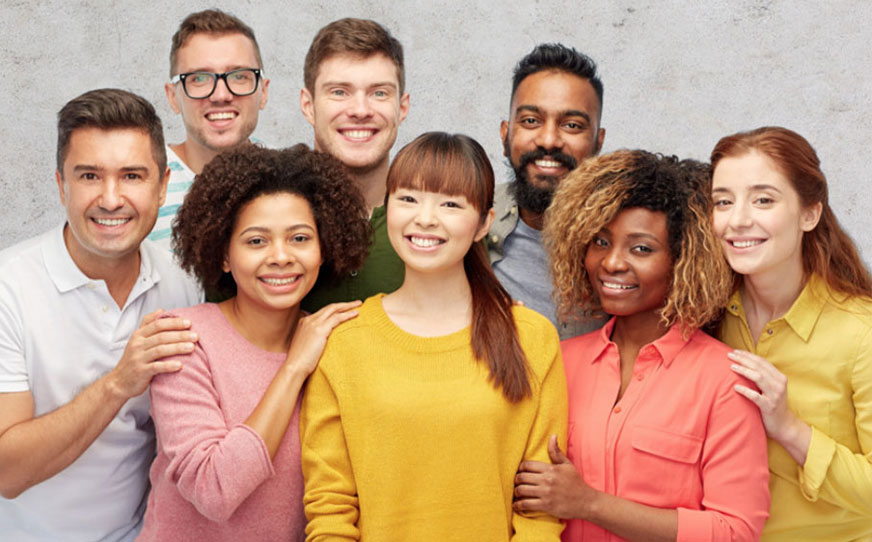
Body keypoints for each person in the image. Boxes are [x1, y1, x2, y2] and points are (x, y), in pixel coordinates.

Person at [301, 132, 568, 541]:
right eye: (408, 198)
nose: (425, 218)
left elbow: (540, 513)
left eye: (450, 204)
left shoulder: (532, 338)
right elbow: (330, 506)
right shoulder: (344, 342)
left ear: (484, 224)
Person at [515, 150, 770, 541]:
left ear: (684, 260)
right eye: (600, 241)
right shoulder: (558, 361)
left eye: (641, 249)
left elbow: (735, 532)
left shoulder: (725, 381)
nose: (611, 262)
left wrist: (588, 503)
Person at [138, 144, 370, 541]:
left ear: (323, 248)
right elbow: (214, 490)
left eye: (299, 238)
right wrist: (294, 367)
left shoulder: (336, 343)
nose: (280, 257)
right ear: (224, 255)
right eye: (256, 241)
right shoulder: (184, 340)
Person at [0, 89, 201, 541]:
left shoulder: (182, 284)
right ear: (60, 184)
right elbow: (6, 473)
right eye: (90, 175)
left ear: (163, 184)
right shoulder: (8, 290)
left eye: (132, 175)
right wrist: (118, 383)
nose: (111, 199)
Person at [710, 126, 872, 541]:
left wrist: (789, 427)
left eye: (763, 200)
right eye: (723, 202)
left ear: (809, 213)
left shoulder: (861, 331)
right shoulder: (706, 318)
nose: (738, 220)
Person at [489, 43, 606, 339]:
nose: (549, 140)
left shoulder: (627, 238)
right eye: (531, 121)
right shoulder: (466, 217)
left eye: (572, 125)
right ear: (506, 133)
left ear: (598, 142)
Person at [299, 18, 410, 311]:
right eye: (339, 92)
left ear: (402, 107)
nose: (360, 111)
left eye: (379, 93)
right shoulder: (264, 214)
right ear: (308, 105)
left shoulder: (437, 220)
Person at [150, 9, 270, 252]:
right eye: (199, 79)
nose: (221, 95)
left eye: (239, 76)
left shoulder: (291, 181)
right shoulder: (141, 186)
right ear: (173, 97)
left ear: (263, 92)